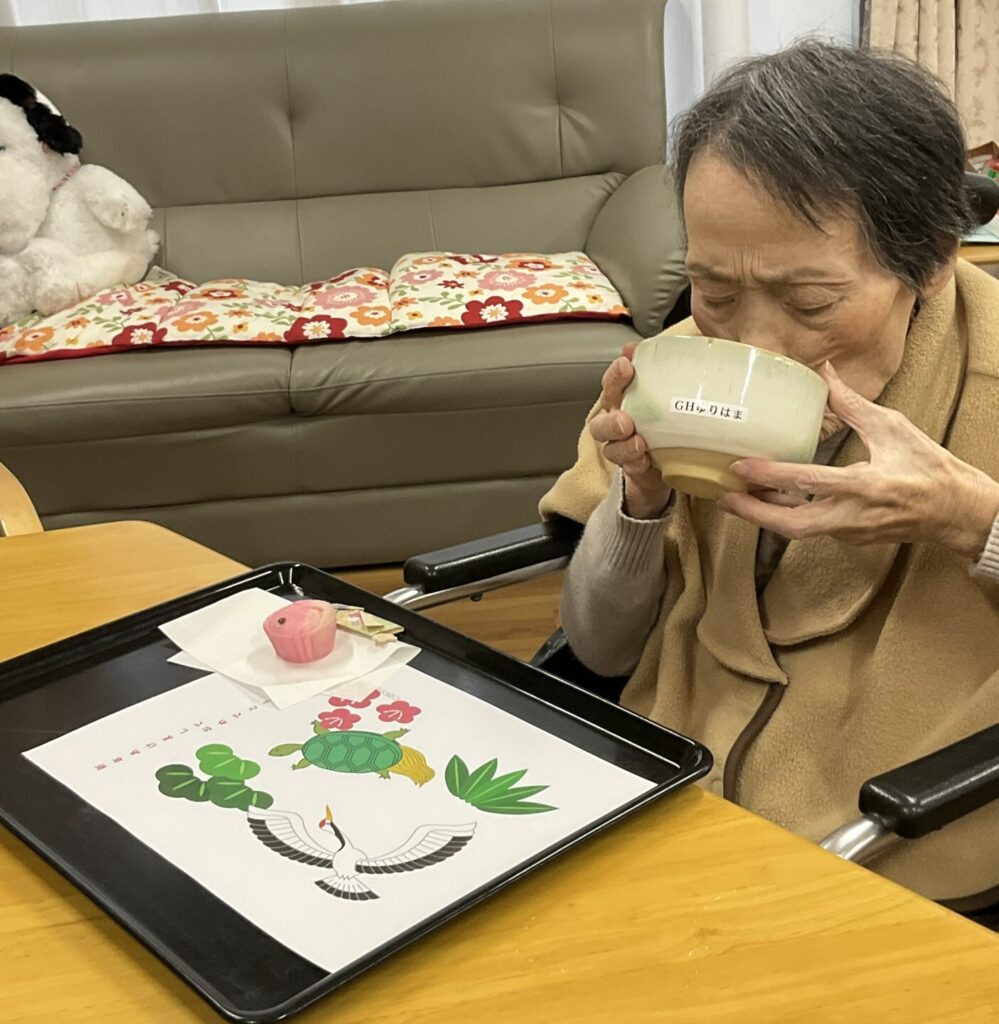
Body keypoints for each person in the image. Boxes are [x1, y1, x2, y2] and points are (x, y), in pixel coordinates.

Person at [541, 40, 999, 906]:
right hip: (668, 794)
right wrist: (640, 500)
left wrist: (970, 518)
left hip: (901, 838)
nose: (754, 344)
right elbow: (598, 650)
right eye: (714, 291)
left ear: (934, 260)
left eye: (809, 303)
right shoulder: (672, 372)